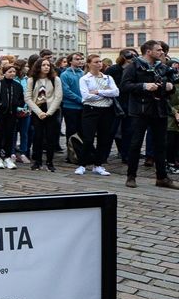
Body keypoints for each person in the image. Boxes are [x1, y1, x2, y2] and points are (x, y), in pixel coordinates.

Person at [122, 40, 178, 189]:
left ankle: (162, 177)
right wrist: (144, 86)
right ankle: (131, 176)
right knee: (135, 144)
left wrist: (170, 87)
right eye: (158, 50)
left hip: (159, 109)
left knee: (161, 145)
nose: (162, 53)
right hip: (140, 110)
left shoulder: (163, 67)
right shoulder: (134, 66)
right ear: (148, 51)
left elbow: (171, 85)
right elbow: (125, 86)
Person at [75, 54, 117, 177]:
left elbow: (115, 92)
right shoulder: (85, 78)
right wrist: (106, 94)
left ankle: (98, 165)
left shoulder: (108, 77)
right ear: (89, 64)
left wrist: (99, 92)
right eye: (96, 62)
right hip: (91, 110)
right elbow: (86, 96)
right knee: (88, 138)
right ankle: (82, 164)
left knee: (104, 139)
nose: (99, 64)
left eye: (100, 62)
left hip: (106, 110)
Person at [24, 58, 63, 172]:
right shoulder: (32, 80)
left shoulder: (55, 79)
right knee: (38, 137)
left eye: (48, 65)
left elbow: (58, 97)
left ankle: (50, 162)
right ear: (38, 67)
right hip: (38, 110)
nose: (46, 67)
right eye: (43, 65)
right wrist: (39, 112)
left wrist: (49, 112)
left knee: (51, 137)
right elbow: (28, 98)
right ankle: (37, 161)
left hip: (52, 110)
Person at [0, 62, 24, 169]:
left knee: (10, 136)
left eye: (13, 71)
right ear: (4, 73)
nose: (12, 74)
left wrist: (18, 104)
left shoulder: (18, 86)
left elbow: (21, 99)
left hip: (12, 115)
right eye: (9, 71)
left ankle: (7, 157)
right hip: (0, 114)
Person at [59, 51, 86, 159]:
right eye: (77, 59)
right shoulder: (65, 74)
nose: (80, 61)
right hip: (70, 107)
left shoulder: (83, 73)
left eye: (81, 59)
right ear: (70, 61)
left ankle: (81, 152)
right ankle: (71, 154)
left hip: (83, 106)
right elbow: (66, 91)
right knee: (71, 130)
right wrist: (80, 99)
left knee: (82, 130)